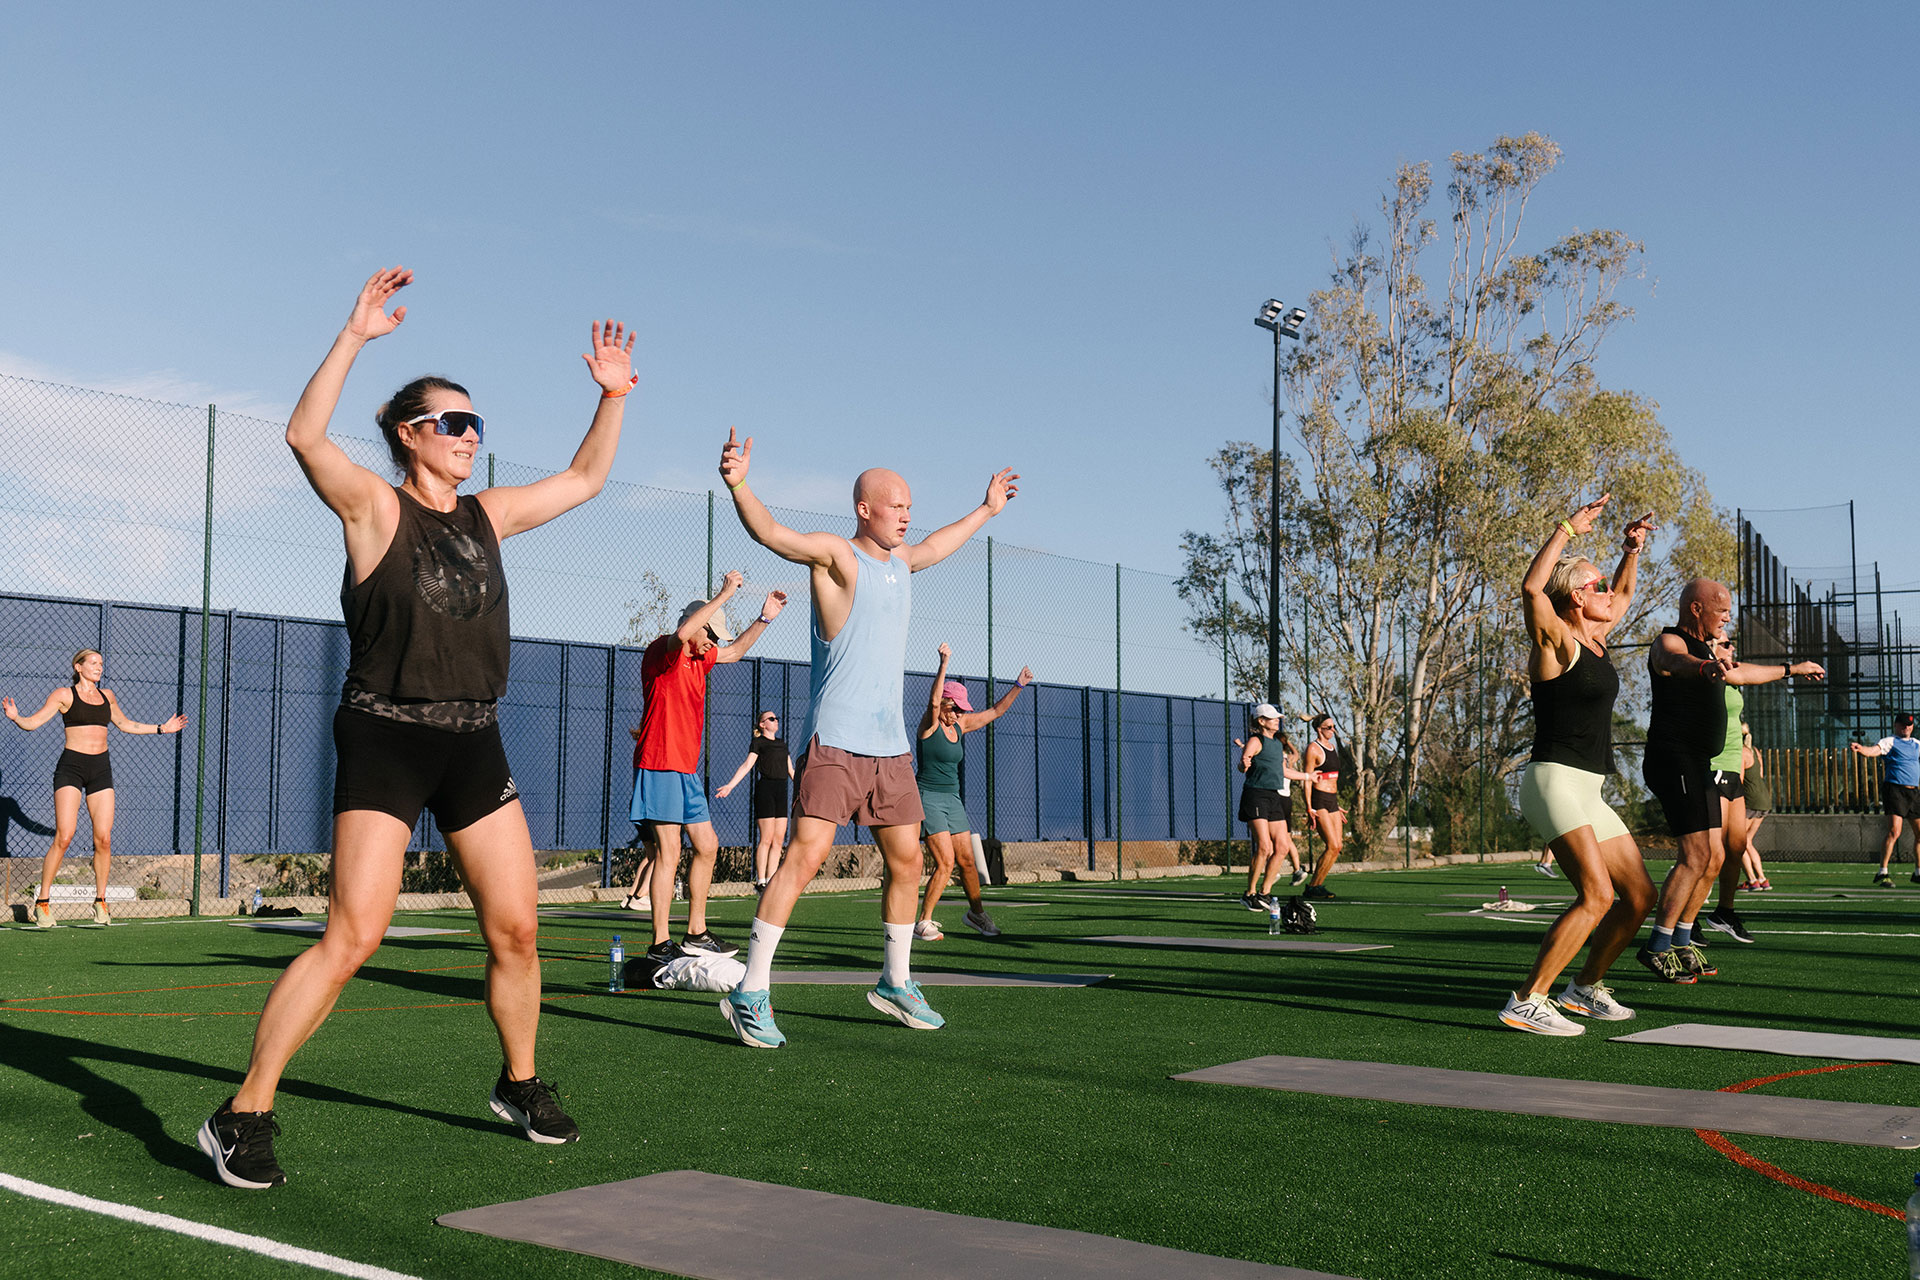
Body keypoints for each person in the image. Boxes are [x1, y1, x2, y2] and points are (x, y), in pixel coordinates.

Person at [198, 267, 634, 1189]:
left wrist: (612, 397)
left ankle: (520, 1083)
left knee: (517, 932)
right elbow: (303, 436)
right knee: (353, 935)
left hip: (474, 739)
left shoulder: (488, 515)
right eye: (454, 422)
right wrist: (354, 335)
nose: (471, 436)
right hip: (386, 736)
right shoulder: (373, 506)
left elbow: (587, 479)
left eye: (478, 424)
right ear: (410, 433)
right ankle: (243, 1113)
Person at [715, 427, 1018, 1047]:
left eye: (909, 506)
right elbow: (772, 534)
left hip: (890, 750)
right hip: (834, 742)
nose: (906, 515)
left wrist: (986, 509)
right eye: (896, 505)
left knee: (909, 862)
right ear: (864, 508)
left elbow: (939, 544)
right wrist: (740, 484)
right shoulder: (836, 556)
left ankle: (895, 982)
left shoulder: (903, 563)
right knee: (804, 859)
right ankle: (751, 991)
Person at [1499, 497, 1656, 1035]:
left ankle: (1584, 988)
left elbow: (1625, 594)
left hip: (1588, 789)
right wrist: (1567, 528)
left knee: (1640, 896)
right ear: (1575, 597)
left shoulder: (1597, 638)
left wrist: (1631, 551)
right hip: (1553, 782)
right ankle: (1528, 999)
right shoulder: (1555, 641)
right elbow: (1531, 590)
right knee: (1597, 895)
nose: (1609, 592)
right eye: (1598, 585)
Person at [1638, 578, 1822, 984]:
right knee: (1695, 855)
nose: (1727, 618)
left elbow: (1744, 674)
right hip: (1673, 760)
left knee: (1713, 857)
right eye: (1721, 610)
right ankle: (1656, 946)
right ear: (1696, 609)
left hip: (1697, 763)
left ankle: (1682, 940)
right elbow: (1672, 660)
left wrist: (1792, 668)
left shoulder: (1711, 649)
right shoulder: (1670, 641)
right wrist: (1705, 667)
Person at [624, 572, 786, 961]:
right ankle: (660, 944)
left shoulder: (703, 658)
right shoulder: (663, 651)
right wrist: (725, 594)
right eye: (710, 634)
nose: (714, 642)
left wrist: (764, 618)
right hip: (660, 764)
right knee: (669, 852)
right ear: (695, 625)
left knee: (708, 845)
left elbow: (735, 652)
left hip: (686, 771)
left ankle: (696, 933)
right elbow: (683, 634)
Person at [4, 649, 187, 927]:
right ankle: (42, 902)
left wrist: (162, 728)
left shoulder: (107, 696)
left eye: (101, 663)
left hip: (101, 769)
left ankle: (101, 901)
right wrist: (17, 717)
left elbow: (125, 724)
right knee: (65, 836)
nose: (99, 667)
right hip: (71, 768)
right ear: (78, 667)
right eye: (93, 663)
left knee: (104, 839)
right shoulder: (64, 695)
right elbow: (33, 723)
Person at [912, 643, 1031, 940]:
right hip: (928, 798)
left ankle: (976, 914)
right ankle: (923, 922)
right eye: (955, 708)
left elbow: (996, 711)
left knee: (967, 861)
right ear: (945, 704)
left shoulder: (960, 725)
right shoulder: (929, 725)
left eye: (961, 710)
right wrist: (944, 664)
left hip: (953, 800)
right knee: (946, 862)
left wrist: (1018, 685)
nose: (958, 714)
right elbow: (933, 702)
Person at [1236, 704, 1309, 909]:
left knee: (1283, 846)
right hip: (1255, 795)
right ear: (1261, 721)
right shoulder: (1255, 741)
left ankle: (1264, 893)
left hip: (1274, 796)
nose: (1277, 720)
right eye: (1272, 718)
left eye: (1277, 718)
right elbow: (1243, 763)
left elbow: (1284, 772)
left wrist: (1308, 776)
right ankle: (1249, 894)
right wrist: (1243, 764)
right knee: (1265, 847)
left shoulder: (1277, 744)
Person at [714, 708, 796, 892]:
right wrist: (730, 786)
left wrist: (802, 789)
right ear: (762, 724)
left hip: (781, 791)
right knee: (766, 838)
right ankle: (761, 881)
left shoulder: (782, 744)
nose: (776, 720)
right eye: (771, 719)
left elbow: (791, 771)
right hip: (765, 790)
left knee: (778, 840)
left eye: (776, 718)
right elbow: (746, 766)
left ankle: (771, 881)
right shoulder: (758, 743)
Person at [1705, 722, 1772, 943]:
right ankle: (1760, 878)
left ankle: (1752, 880)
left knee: (1735, 846)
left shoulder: (1742, 753)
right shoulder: (1755, 751)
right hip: (1760, 796)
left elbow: (1742, 777)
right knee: (1738, 845)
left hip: (1743, 791)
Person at [1850, 714, 1920, 887]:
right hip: (1895, 790)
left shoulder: (1917, 744)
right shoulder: (1890, 741)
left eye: (1909, 725)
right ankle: (1883, 872)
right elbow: (1874, 751)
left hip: (1914, 792)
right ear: (1896, 726)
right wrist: (1861, 749)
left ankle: (1918, 872)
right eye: (1903, 725)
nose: (1906, 728)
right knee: (1894, 831)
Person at [1299, 713, 1346, 900]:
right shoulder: (1313, 749)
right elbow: (1307, 780)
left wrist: (1337, 804)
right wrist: (1309, 807)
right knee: (1332, 845)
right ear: (1319, 729)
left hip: (1332, 800)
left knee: (1337, 847)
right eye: (1329, 727)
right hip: (1319, 800)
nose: (1333, 730)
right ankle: (1312, 887)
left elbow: (1333, 778)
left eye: (1334, 727)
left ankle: (1316, 886)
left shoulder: (1332, 747)